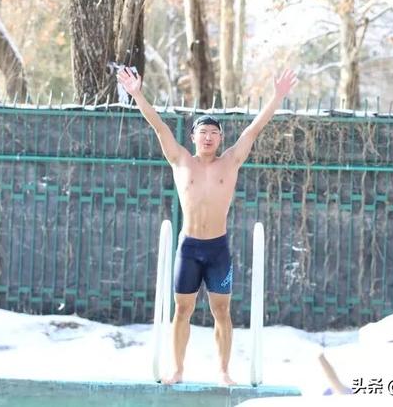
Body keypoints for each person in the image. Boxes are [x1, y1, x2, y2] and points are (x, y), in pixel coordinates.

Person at [117, 67, 298, 386]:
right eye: (203, 132)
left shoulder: (230, 161)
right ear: (193, 137)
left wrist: (277, 97)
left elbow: (253, 130)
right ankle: (177, 369)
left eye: (214, 132)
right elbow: (159, 127)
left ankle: (224, 371)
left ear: (220, 138)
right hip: (189, 248)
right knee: (182, 310)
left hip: (217, 250)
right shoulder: (180, 160)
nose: (209, 137)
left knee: (222, 312)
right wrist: (137, 94)